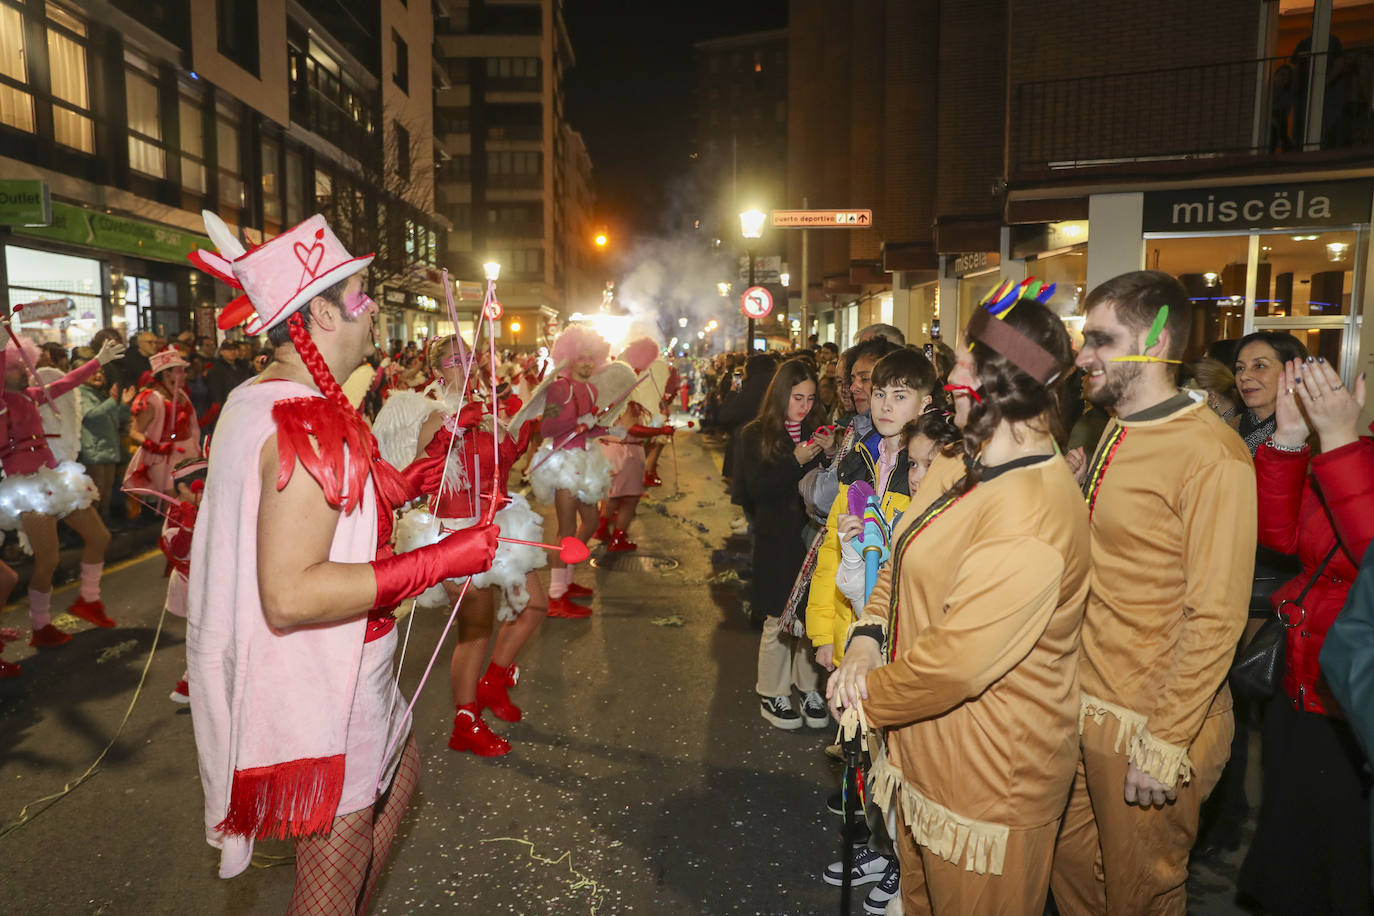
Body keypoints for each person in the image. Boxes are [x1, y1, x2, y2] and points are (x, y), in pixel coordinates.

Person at [183, 211, 497, 909]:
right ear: (320, 314)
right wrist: (445, 558)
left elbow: (345, 506)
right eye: (360, 298)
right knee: (324, 885)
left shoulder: (257, 400)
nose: (373, 311)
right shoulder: (310, 422)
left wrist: (429, 464)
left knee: (402, 772)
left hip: (335, 674)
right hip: (329, 687)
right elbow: (291, 593)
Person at [828, 285, 1088, 914]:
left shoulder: (1034, 513)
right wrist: (866, 637)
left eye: (969, 361)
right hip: (920, 761)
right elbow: (896, 550)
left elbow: (958, 665)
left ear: (1004, 381)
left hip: (986, 789)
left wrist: (863, 695)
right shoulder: (956, 459)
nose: (954, 375)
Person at [1051, 270, 1256, 915]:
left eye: (1100, 340)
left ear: (1158, 341)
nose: (1084, 356)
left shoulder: (1212, 456)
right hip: (1086, 702)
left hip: (1152, 722)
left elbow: (1217, 616)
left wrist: (1165, 742)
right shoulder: (1116, 425)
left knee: (1141, 895)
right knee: (1071, 871)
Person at [1237, 357, 1374, 914]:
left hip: (1353, 698)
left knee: (1341, 862)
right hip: (1302, 679)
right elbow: (1284, 538)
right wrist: (1292, 440)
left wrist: (1338, 438)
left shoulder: (1348, 453)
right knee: (1292, 841)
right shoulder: (1357, 456)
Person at [378, 333, 546, 757]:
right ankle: (465, 720)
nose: (464, 363)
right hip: (454, 531)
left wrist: (522, 430)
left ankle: (494, 679)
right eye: (454, 359)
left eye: (469, 356)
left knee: (536, 605)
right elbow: (418, 477)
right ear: (438, 370)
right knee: (475, 630)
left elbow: (503, 466)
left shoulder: (490, 411)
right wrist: (451, 430)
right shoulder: (433, 414)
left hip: (500, 523)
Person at [0, 331, 126, 648]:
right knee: (48, 560)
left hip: (55, 479)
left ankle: (90, 600)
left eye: (26, 364)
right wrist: (2, 348)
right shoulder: (3, 403)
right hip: (28, 489)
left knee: (100, 537)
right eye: (17, 366)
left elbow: (67, 382)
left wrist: (98, 360)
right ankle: (41, 627)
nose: (26, 370)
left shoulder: (31, 395)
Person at [733, 358, 828, 729]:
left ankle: (807, 688)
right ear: (780, 394)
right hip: (776, 537)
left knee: (808, 615)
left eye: (810, 398)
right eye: (796, 396)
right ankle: (772, 691)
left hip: (812, 536)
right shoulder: (755, 434)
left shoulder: (816, 431)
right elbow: (757, 490)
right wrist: (795, 460)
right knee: (777, 617)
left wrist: (829, 451)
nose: (803, 405)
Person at [528, 325, 614, 619]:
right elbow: (548, 428)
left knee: (591, 520)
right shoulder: (559, 387)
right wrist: (579, 420)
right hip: (563, 462)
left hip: (586, 462)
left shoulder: (591, 389)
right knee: (565, 531)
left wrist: (607, 428)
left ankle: (565, 579)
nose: (588, 363)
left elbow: (588, 429)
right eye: (582, 358)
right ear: (569, 359)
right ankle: (555, 597)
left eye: (592, 358)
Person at [125, 347, 202, 497]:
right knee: (172, 502)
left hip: (188, 453)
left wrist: (196, 447)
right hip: (165, 458)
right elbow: (134, 432)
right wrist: (156, 447)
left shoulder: (181, 395)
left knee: (192, 499)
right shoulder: (152, 399)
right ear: (167, 374)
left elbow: (193, 425)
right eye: (180, 371)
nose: (185, 375)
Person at [76, 350, 134, 526]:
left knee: (106, 493)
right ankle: (94, 529)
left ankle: (105, 526)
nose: (99, 375)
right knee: (96, 493)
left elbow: (115, 419)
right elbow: (91, 415)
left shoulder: (98, 394)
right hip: (93, 452)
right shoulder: (81, 393)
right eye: (94, 372)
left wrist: (122, 405)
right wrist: (111, 401)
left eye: (101, 372)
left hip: (107, 450)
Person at [1233, 329, 1309, 454]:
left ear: (1292, 372)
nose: (1244, 376)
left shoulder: (1317, 435)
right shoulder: (1224, 429)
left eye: (1259, 366)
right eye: (1240, 368)